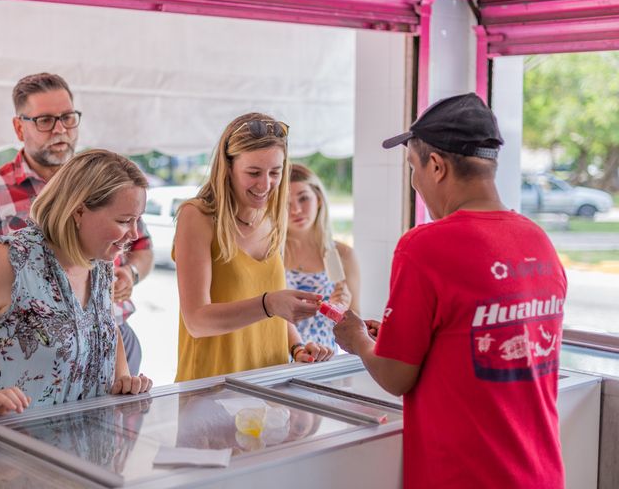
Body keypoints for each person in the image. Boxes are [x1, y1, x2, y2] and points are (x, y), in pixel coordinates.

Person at [333, 93, 566, 489]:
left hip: (465, 477)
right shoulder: (538, 241)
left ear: (436, 166)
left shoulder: (425, 246)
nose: (414, 181)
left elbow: (395, 376)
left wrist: (356, 338)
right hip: (540, 473)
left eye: (413, 166)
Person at [0, 150, 153, 424]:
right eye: (124, 220)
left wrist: (122, 380)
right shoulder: (6, 261)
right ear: (79, 211)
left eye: (137, 220)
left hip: (61, 455)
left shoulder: (99, 261)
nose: (135, 234)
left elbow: (105, 329)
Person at [0, 72, 151, 375]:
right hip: (31, 354)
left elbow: (141, 247)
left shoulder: (106, 180)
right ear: (19, 127)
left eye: (68, 117)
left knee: (116, 423)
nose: (60, 130)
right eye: (45, 120)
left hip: (113, 334)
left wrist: (130, 273)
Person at [173, 112, 333, 383]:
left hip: (270, 384)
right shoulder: (197, 216)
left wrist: (296, 346)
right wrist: (269, 303)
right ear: (228, 166)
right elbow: (197, 322)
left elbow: (274, 312)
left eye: (275, 172)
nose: (265, 184)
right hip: (213, 387)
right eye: (253, 173)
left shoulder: (273, 215)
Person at [284, 163, 360, 351]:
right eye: (287, 203)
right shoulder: (270, 256)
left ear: (318, 200)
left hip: (328, 361)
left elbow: (359, 329)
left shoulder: (344, 255)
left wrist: (345, 308)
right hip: (278, 363)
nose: (296, 210)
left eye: (303, 198)